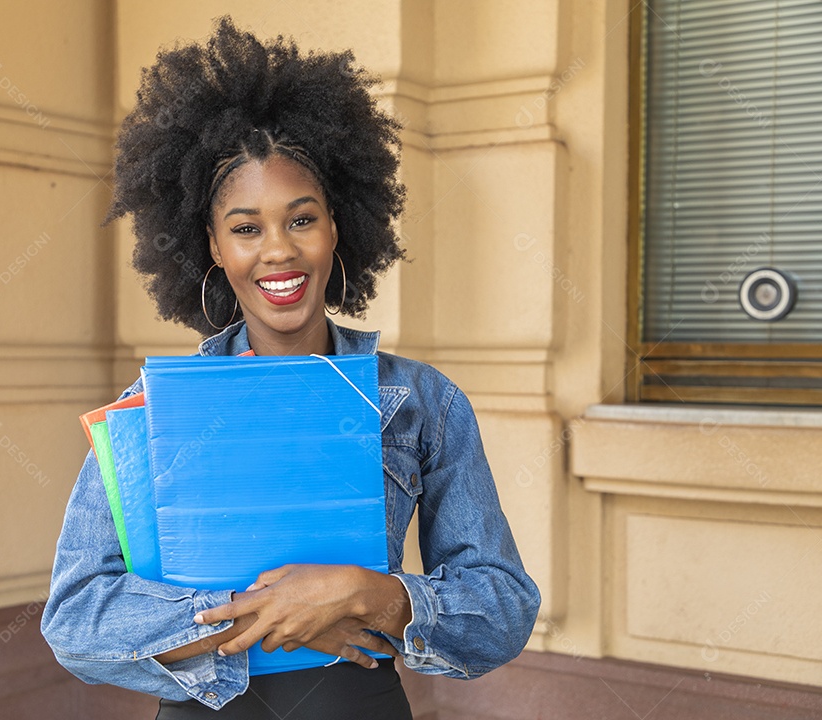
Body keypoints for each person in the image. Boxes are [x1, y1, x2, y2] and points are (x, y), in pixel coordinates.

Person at [41, 17, 540, 719]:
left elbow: (504, 605)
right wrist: (268, 612)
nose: (278, 251)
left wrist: (369, 596)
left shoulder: (424, 402)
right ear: (214, 245)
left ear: (338, 225)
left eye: (301, 219)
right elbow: (76, 620)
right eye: (246, 228)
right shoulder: (153, 409)